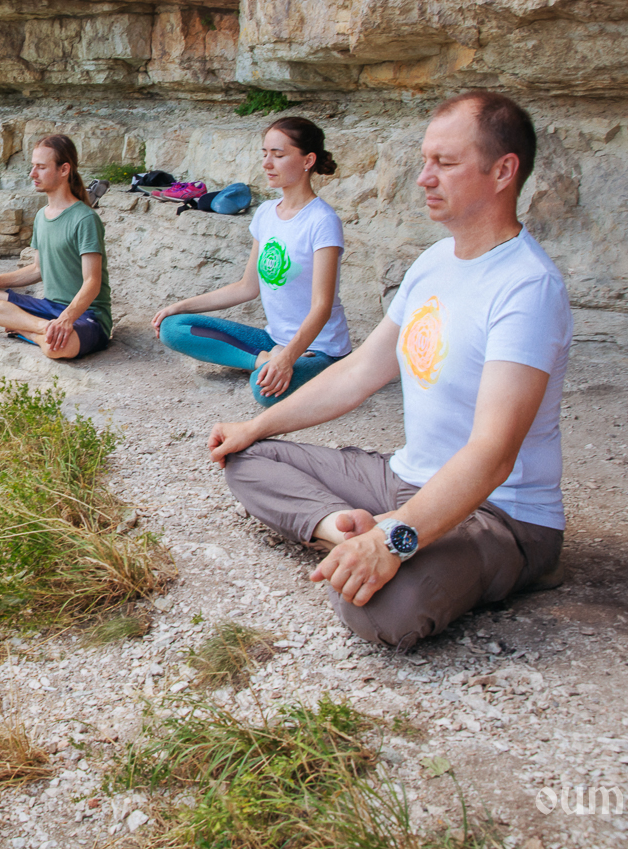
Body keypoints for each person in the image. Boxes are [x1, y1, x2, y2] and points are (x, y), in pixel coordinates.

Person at [208, 90, 571, 650]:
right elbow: (359, 372)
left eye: (445, 163)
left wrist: (392, 538)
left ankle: (390, 540)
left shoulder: (528, 287)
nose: (424, 177)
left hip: (500, 512)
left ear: (503, 171)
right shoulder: (433, 262)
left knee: (376, 608)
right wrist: (255, 426)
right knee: (247, 457)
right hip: (404, 479)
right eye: (426, 160)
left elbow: (493, 454)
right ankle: (348, 531)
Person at [154, 117, 352, 406]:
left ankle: (279, 366)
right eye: (265, 154)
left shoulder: (322, 220)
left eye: (278, 155)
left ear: (308, 160)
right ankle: (262, 361)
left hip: (321, 350)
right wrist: (179, 306)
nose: (267, 164)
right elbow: (247, 287)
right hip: (273, 341)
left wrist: (288, 358)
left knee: (263, 391)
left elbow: (321, 307)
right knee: (173, 327)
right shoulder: (266, 213)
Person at [0, 134, 112, 360]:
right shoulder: (41, 216)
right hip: (49, 308)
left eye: (41, 167)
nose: (32, 174)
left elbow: (92, 282)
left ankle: (25, 329)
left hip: (87, 315)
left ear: (64, 169)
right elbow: (37, 269)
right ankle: (43, 328)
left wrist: (66, 319)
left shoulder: (85, 219)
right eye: (33, 166)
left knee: (57, 348)